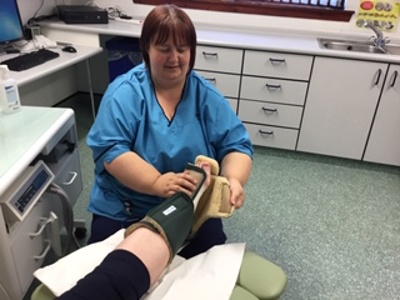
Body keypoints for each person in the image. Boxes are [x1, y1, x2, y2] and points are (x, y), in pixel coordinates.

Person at [86, 4, 253, 258]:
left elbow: (236, 145)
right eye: (164, 49)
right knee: (103, 263)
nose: (174, 58)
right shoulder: (124, 94)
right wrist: (156, 183)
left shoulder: (206, 97)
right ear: (147, 49)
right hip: (125, 205)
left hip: (189, 205)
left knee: (209, 261)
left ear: (192, 52)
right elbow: (111, 150)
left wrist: (234, 180)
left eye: (182, 49)